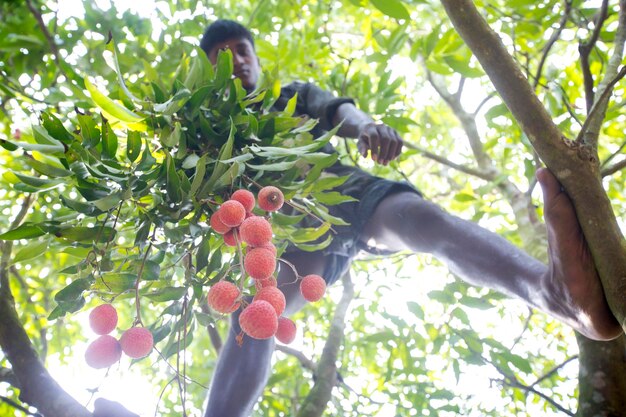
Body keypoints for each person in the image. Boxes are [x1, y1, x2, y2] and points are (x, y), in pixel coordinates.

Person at [199, 19, 622, 417]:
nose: (236, 59)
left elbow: (338, 112)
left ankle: (553, 292)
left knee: (423, 221)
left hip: (343, 195)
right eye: (222, 53)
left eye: (242, 49)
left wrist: (368, 126)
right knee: (253, 313)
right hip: (279, 239)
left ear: (254, 56)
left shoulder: (290, 96)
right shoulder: (211, 131)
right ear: (210, 67)